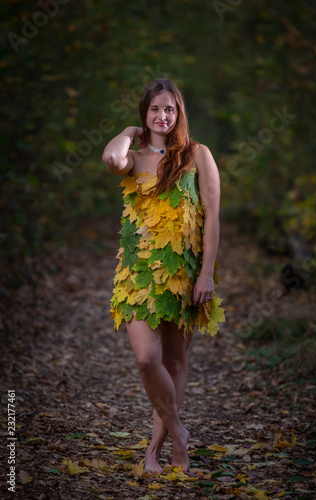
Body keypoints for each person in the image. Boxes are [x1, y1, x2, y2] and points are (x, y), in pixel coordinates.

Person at [102, 78, 225, 473]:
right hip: (138, 274)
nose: (162, 115)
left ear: (180, 113)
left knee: (174, 362)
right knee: (146, 359)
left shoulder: (197, 155)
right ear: (145, 114)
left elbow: (212, 218)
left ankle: (158, 450)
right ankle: (179, 432)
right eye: (155, 109)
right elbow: (109, 159)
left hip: (185, 273)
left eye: (170, 108)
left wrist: (206, 273)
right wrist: (127, 131)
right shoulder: (135, 159)